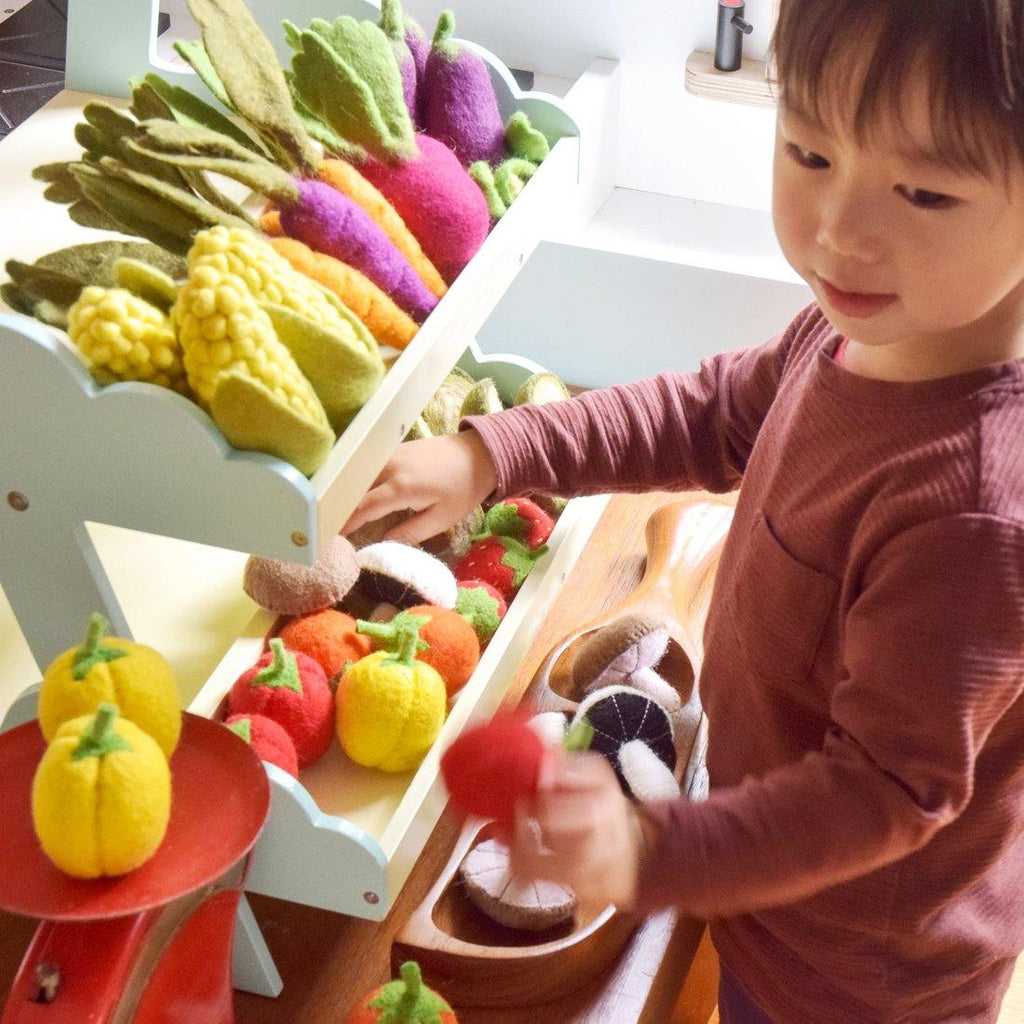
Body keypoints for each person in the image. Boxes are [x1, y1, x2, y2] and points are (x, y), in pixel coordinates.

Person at [342, 1, 1024, 1019]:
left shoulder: (970, 516)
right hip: (754, 871)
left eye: (923, 191)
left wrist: (652, 850)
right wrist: (496, 450)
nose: (838, 229)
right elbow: (707, 412)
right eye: (806, 150)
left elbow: (880, 793)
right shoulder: (849, 336)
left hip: (849, 979)